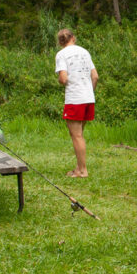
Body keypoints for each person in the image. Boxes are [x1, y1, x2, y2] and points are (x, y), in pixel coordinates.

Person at [55, 28, 99, 178]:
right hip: (88, 98)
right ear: (73, 38)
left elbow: (63, 78)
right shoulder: (85, 52)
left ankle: (82, 171)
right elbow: (95, 76)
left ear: (60, 42)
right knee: (80, 134)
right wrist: (90, 92)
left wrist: (62, 81)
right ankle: (78, 167)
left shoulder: (61, 54)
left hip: (75, 99)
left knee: (76, 136)